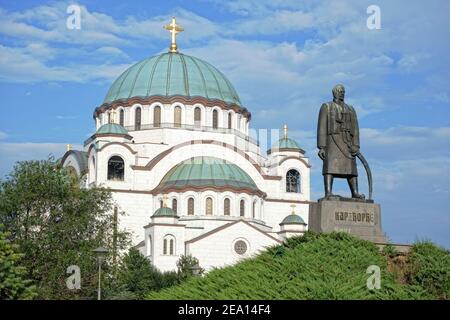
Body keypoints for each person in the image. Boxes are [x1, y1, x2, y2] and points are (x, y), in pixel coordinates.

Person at [317, 84, 365, 199]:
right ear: (334, 93)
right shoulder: (327, 107)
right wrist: (321, 147)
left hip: (347, 141)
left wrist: (356, 145)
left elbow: (355, 129)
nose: (341, 93)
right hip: (332, 141)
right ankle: (328, 192)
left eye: (343, 91)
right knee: (330, 166)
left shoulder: (350, 109)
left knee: (351, 168)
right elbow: (322, 127)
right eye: (339, 91)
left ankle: (355, 192)